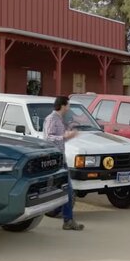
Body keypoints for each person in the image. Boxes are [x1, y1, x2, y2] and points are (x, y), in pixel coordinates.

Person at [43, 96, 84, 231]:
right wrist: (65, 136)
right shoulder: (51, 119)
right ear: (63, 105)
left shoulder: (60, 119)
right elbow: (48, 138)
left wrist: (68, 135)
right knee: (68, 190)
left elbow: (58, 140)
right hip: (54, 161)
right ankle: (68, 220)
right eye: (68, 105)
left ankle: (67, 219)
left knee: (66, 190)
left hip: (61, 160)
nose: (69, 107)